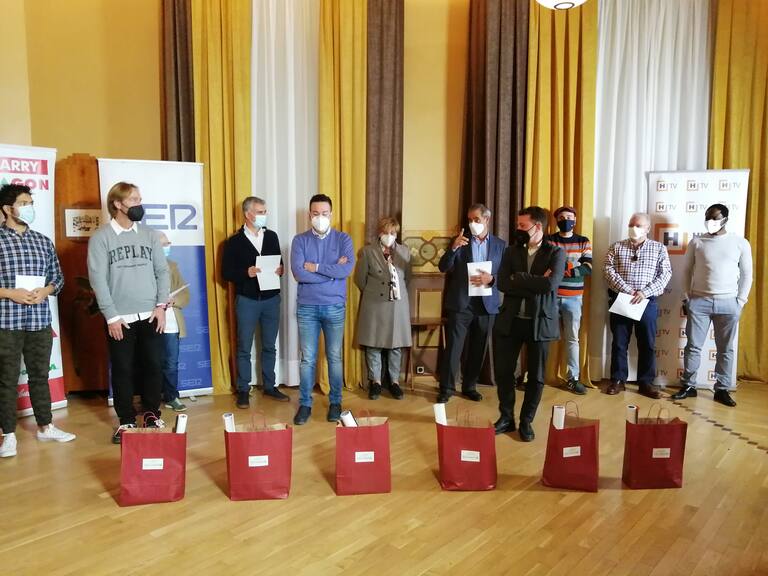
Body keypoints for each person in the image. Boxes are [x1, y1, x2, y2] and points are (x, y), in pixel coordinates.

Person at [87, 182, 170, 444]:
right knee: (123, 369)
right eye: (134, 199)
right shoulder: (101, 238)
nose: (139, 204)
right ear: (118, 204)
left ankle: (152, 414)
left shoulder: (150, 235)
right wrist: (111, 316)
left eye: (139, 199)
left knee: (153, 366)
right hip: (120, 318)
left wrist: (161, 306)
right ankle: (126, 420)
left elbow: (162, 271)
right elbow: (98, 280)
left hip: (151, 314)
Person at [0, 184, 76, 458]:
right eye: (24, 203)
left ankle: (46, 426)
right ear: (8, 209)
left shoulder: (42, 241)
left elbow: (58, 278)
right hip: (6, 323)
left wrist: (46, 290)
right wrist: (10, 293)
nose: (29, 207)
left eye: (30, 202)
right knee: (6, 380)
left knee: (40, 376)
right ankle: (8, 435)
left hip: (39, 321)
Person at [493, 206, 566, 442]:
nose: (518, 229)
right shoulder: (510, 252)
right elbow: (502, 283)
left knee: (536, 376)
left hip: (539, 323)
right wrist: (533, 282)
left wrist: (519, 278)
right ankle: (506, 417)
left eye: (522, 226)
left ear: (538, 227)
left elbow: (550, 285)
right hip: (511, 320)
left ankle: (526, 421)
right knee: (504, 372)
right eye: (518, 225)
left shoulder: (556, 253)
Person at [672, 204, 753, 407]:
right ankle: (688, 386)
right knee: (693, 346)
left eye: (715, 218)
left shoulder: (740, 243)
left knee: (725, 349)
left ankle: (722, 389)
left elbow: (747, 274)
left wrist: (740, 301)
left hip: (729, 302)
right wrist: (686, 298)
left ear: (725, 219)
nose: (710, 221)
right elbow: (686, 271)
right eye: (708, 217)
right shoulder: (697, 242)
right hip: (699, 301)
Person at [290, 194, 354, 425]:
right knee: (307, 358)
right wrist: (330, 273)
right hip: (307, 307)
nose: (320, 217)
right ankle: (305, 404)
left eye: (324, 213)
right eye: (316, 213)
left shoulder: (343, 239)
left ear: (331, 214)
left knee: (334, 357)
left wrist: (315, 267)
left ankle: (336, 402)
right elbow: (299, 273)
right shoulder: (300, 241)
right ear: (310, 215)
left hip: (335, 306)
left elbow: (346, 270)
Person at [437, 204, 507, 404]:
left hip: (486, 305)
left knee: (478, 348)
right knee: (453, 348)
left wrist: (492, 279)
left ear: (487, 219)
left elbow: (506, 275)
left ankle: (470, 386)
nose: (472, 223)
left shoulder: (500, 245)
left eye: (476, 219)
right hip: (461, 304)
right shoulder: (460, 241)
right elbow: (443, 267)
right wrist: (453, 248)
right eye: (469, 220)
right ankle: (447, 388)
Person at [222, 197, 287, 409]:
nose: (264, 215)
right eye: (260, 211)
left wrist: (280, 269)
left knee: (269, 345)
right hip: (247, 301)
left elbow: (279, 263)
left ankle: (270, 386)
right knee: (244, 346)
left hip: (271, 299)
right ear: (248, 214)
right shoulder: (233, 242)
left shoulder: (272, 236)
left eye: (265, 211)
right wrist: (246, 272)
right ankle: (243, 389)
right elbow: (225, 273)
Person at [603, 212, 671, 399]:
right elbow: (608, 270)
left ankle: (645, 382)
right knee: (619, 343)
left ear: (648, 228)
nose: (634, 228)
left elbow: (665, 274)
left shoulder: (658, 248)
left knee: (647, 343)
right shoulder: (616, 247)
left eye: (639, 225)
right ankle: (618, 380)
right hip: (621, 300)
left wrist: (644, 292)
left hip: (647, 301)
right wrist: (628, 290)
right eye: (631, 224)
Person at [354, 217, 412, 400]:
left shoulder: (405, 252)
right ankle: (376, 382)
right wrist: (374, 292)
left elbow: (407, 278)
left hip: (397, 305)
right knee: (373, 345)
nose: (389, 236)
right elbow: (360, 279)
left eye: (392, 233)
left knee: (395, 346)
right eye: (386, 232)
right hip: (374, 303)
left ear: (396, 234)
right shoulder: (367, 252)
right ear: (380, 233)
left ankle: (394, 382)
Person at [545, 206, 593, 395]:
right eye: (562, 217)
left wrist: (562, 270)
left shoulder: (583, 241)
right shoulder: (549, 240)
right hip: (550, 296)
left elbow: (588, 267)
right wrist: (572, 267)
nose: (566, 220)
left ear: (575, 220)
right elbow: (544, 266)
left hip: (574, 298)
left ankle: (573, 378)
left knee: (572, 338)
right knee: (543, 336)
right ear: (557, 220)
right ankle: (538, 375)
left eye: (570, 217)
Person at [157, 232, 190, 412]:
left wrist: (174, 300)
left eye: (168, 243)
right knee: (151, 363)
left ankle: (171, 397)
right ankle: (151, 399)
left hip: (171, 322)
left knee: (171, 362)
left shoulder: (172, 266)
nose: (167, 247)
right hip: (151, 322)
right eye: (163, 244)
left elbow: (185, 293)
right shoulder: (144, 266)